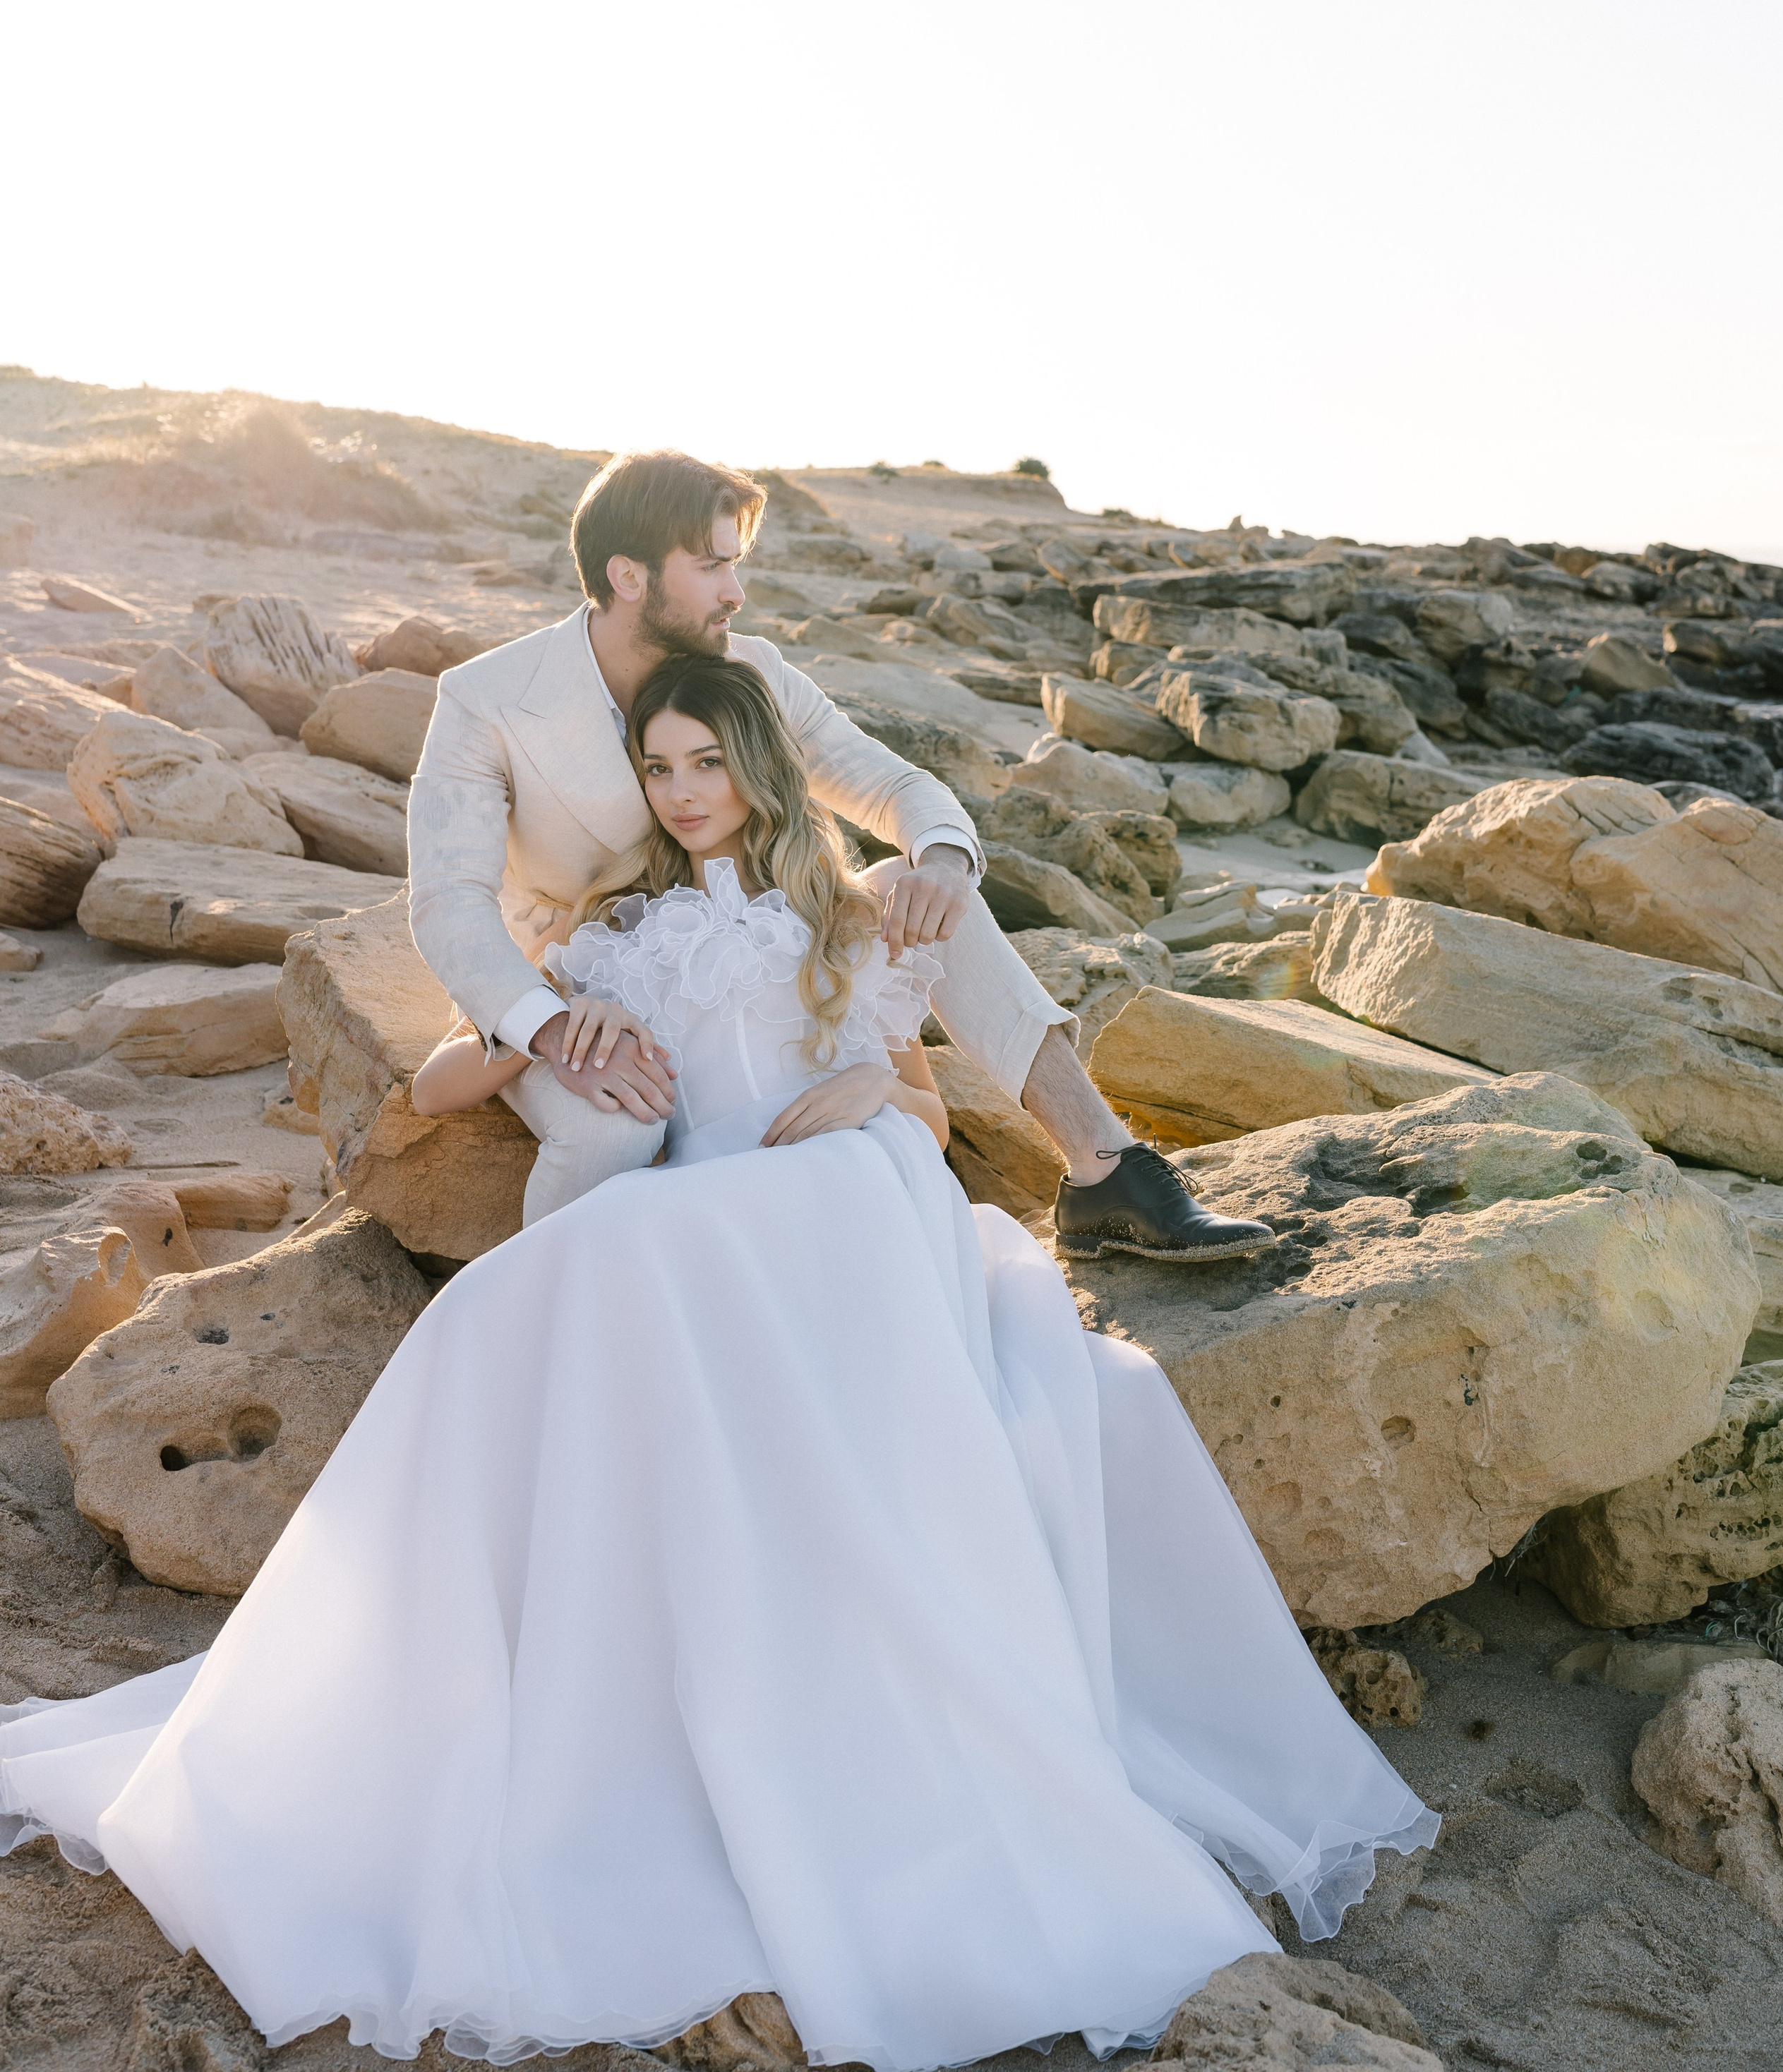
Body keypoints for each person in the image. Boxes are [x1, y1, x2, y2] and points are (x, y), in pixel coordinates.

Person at [0, 655, 1435, 2071]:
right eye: (659, 770)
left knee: (704, 1236)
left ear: (758, 769)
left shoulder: (854, 914)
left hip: (848, 1195)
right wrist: (537, 1032)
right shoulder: (611, 938)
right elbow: (437, 1081)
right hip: (697, 1211)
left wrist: (878, 1084)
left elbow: (927, 1114)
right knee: (549, 1289)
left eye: (707, 763)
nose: (684, 793)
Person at [404, 446, 1274, 1258]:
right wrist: (546, 1025)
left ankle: (1107, 1171)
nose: (735, 591)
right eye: (712, 565)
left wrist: (938, 861)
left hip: (748, 931)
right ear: (628, 577)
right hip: (585, 978)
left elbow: (896, 786)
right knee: (614, 1126)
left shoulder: (752, 674)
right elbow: (449, 899)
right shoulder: (487, 700)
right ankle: (561, 1321)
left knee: (923, 885)